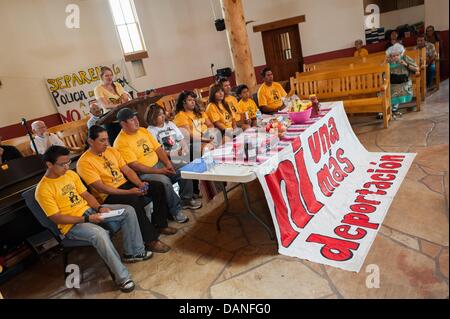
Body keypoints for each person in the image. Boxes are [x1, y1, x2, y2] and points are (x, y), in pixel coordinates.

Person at [36, 145, 152, 292]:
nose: (66, 167)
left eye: (68, 163)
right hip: (72, 225)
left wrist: (99, 208)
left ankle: (133, 252)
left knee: (128, 210)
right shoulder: (43, 189)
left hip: (89, 212)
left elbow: (87, 195)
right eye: (62, 164)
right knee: (100, 234)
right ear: (49, 164)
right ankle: (123, 278)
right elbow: (56, 217)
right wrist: (87, 219)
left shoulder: (70, 175)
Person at [77, 125, 176, 254]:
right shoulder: (84, 162)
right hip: (107, 195)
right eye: (102, 140)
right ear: (90, 141)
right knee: (134, 200)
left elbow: (127, 170)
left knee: (157, 186)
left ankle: (160, 224)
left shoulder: (111, 151)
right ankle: (150, 240)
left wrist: (140, 184)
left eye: (107, 139)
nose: (106, 143)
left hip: (124, 185)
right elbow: (101, 187)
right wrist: (129, 192)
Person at [113, 108, 201, 220]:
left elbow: (158, 148)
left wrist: (168, 163)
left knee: (185, 168)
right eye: (132, 120)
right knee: (165, 182)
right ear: (123, 124)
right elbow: (135, 166)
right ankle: (175, 210)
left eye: (136, 118)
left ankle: (186, 199)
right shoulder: (120, 142)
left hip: (159, 163)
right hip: (144, 172)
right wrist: (159, 171)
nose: (136, 121)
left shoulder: (143, 131)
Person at [94, 66, 130, 145]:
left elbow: (125, 99)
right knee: (116, 143)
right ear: (101, 77)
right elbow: (105, 105)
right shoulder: (98, 89)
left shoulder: (117, 85)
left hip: (122, 117)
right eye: (106, 75)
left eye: (111, 75)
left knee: (127, 140)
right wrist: (119, 104)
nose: (109, 77)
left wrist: (125, 98)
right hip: (110, 119)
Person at [173, 90, 215, 154]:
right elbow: (189, 135)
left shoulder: (199, 112)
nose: (193, 102)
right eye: (189, 100)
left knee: (225, 140)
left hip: (207, 136)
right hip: (194, 142)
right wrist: (206, 139)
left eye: (193, 100)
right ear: (183, 102)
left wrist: (211, 134)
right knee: (209, 147)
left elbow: (210, 125)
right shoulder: (180, 116)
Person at [386, 43, 419, 117]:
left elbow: (417, 69)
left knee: (396, 89)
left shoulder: (405, 58)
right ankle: (384, 110)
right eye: (393, 56)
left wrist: (406, 64)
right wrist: (386, 63)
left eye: (397, 55)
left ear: (401, 54)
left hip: (404, 82)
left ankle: (393, 109)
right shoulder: (388, 62)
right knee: (384, 91)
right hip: (393, 82)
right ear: (390, 56)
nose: (395, 57)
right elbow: (383, 72)